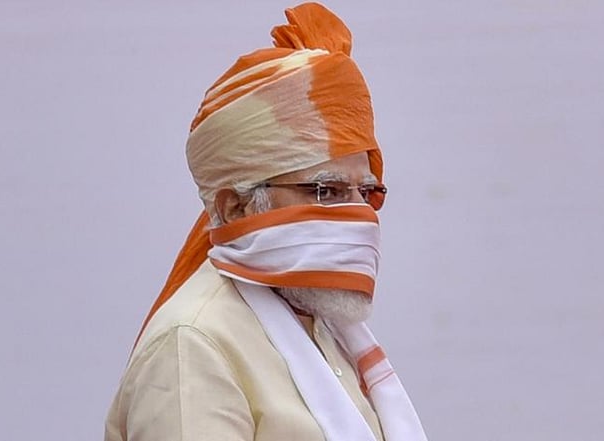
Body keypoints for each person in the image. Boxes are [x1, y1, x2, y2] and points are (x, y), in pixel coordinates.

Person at [105, 3, 427, 440]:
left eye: (366, 192)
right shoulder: (194, 343)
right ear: (234, 207)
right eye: (326, 191)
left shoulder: (325, 326)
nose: (358, 214)